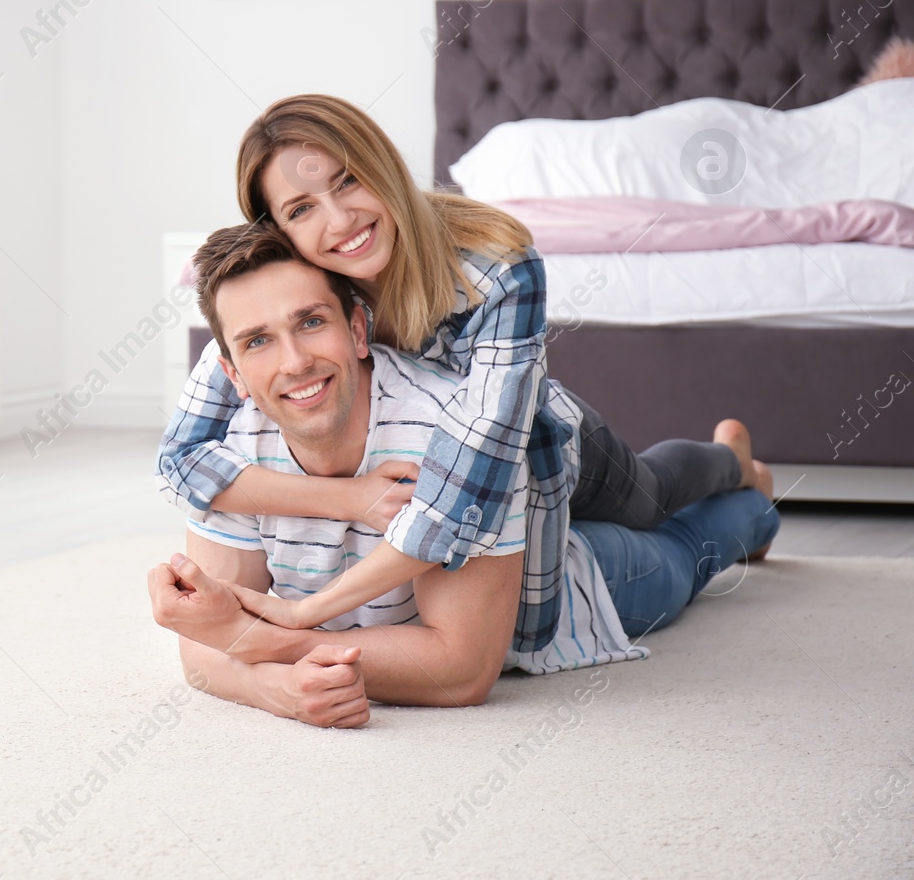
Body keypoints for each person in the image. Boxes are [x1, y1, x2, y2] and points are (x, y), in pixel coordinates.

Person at [156, 93, 760, 654]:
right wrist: (345, 499)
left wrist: (304, 614)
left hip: (544, 443)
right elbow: (181, 458)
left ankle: (734, 463)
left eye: (349, 181)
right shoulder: (290, 297)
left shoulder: (495, 266)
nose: (339, 221)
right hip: (479, 490)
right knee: (647, 549)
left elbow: (469, 490)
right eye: (303, 208)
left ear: (382, 166)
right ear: (277, 231)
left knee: (651, 495)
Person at [147, 223, 778, 727]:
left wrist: (262, 641)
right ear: (230, 374)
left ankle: (747, 485)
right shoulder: (227, 456)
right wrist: (279, 690)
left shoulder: (454, 429)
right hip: (506, 534)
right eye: (256, 342)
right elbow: (199, 642)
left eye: (312, 321)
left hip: (559, 567)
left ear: (358, 328)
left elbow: (461, 669)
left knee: (682, 544)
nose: (294, 362)